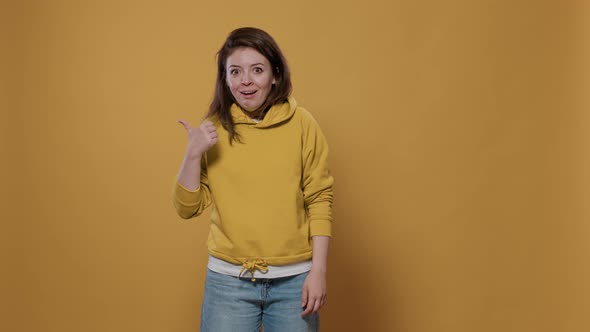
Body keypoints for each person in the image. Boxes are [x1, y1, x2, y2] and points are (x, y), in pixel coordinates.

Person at [172, 27, 334, 332]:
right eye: (235, 71)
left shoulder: (303, 125)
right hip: (228, 284)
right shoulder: (212, 131)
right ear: (225, 79)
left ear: (274, 75)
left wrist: (318, 272)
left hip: (294, 282)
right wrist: (192, 154)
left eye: (256, 70)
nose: (245, 80)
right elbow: (186, 208)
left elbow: (319, 198)